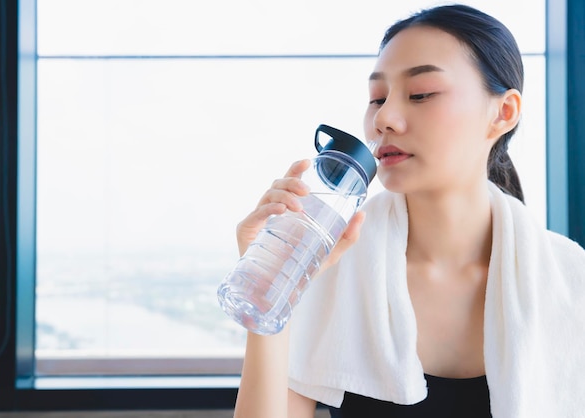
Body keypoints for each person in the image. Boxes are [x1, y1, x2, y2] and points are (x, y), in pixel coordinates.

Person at [230, 4, 585, 417]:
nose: (385, 118)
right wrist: (272, 293)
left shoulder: (570, 282)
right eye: (377, 98)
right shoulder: (328, 266)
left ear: (502, 112)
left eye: (420, 94)